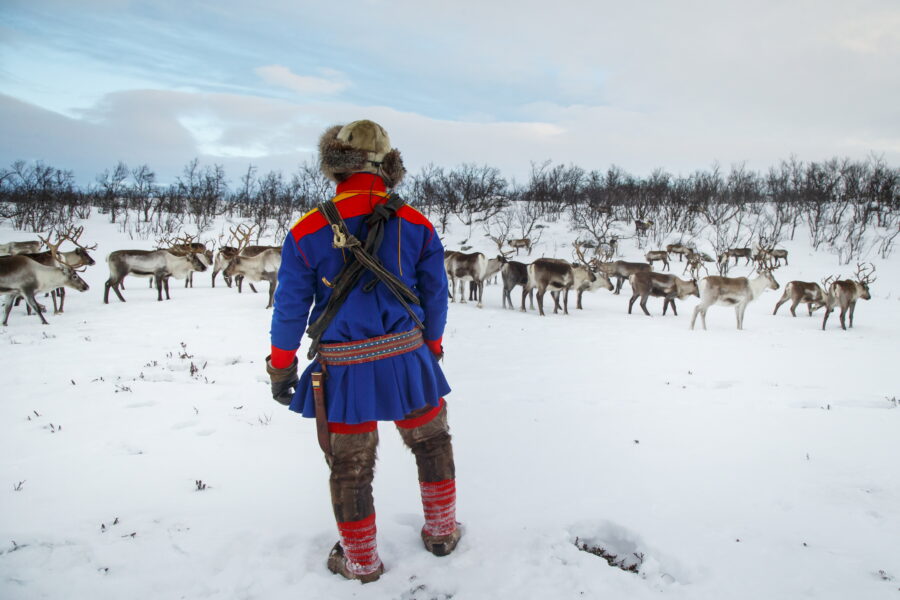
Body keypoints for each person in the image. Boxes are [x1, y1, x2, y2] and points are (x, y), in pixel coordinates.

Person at [265, 120, 460, 583]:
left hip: (345, 371)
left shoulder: (308, 230)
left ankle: (362, 562)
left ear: (335, 168)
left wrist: (280, 366)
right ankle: (441, 533)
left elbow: (290, 309)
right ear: (389, 168)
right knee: (432, 442)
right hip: (409, 360)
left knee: (350, 466)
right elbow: (435, 296)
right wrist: (429, 348)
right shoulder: (416, 224)